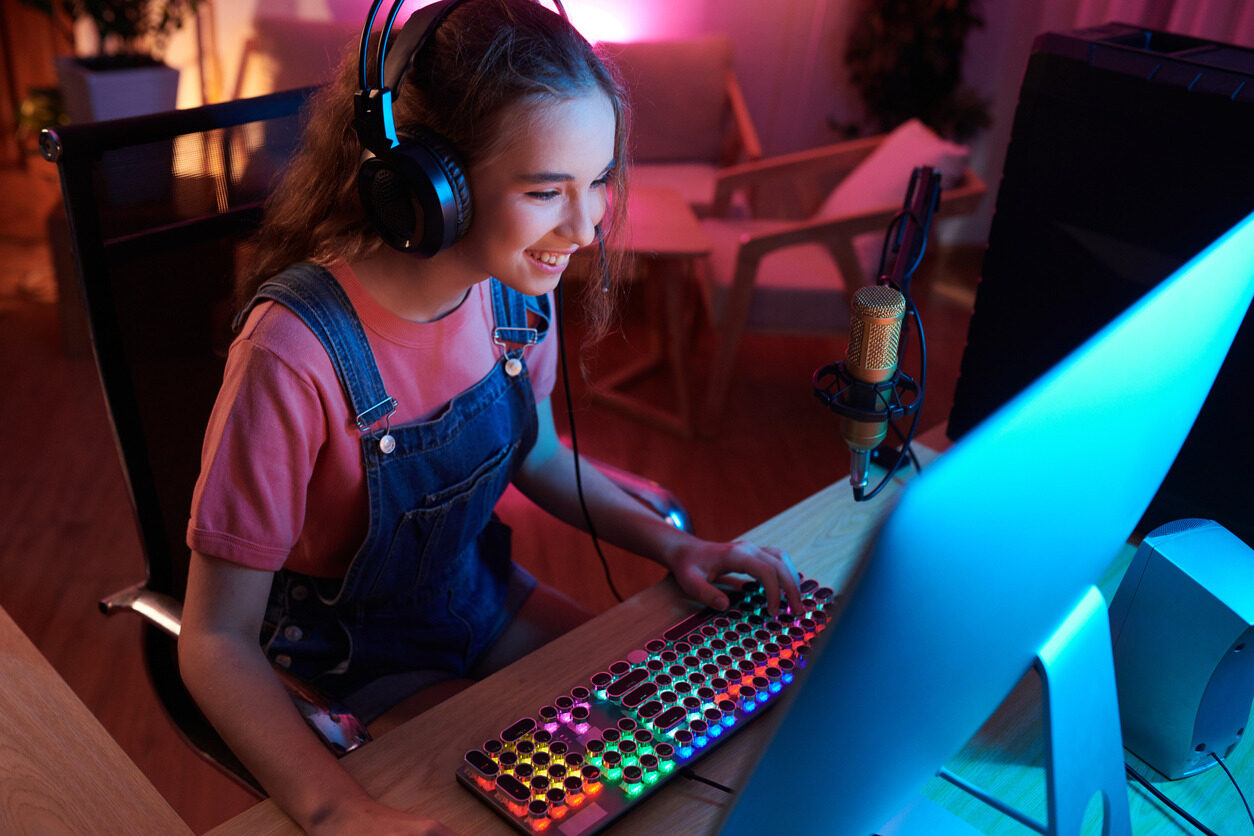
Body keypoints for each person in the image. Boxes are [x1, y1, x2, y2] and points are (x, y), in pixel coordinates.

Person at [178, 1, 802, 832]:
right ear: (431, 189)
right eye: (547, 191)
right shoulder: (295, 357)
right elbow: (215, 641)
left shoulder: (509, 294)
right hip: (355, 656)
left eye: (598, 183)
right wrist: (338, 812)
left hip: (481, 596)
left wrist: (677, 544)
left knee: (679, 735)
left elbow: (540, 456)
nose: (584, 228)